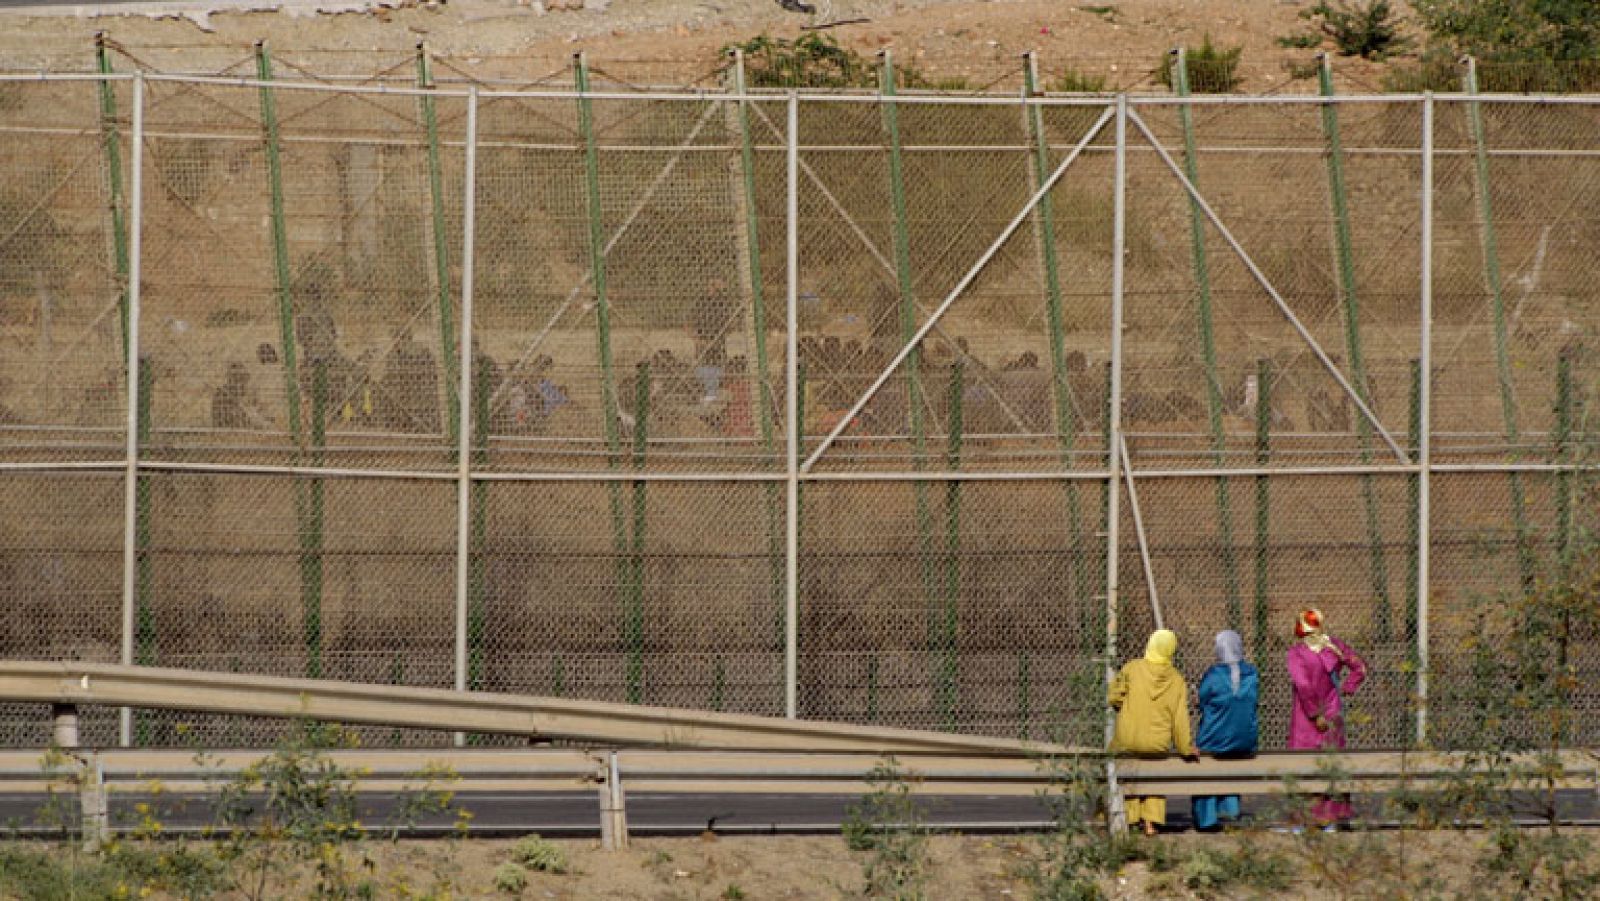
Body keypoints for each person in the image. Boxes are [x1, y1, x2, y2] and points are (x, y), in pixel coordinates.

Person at [1109, 629, 1199, 836]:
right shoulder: (1177, 680)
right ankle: (1150, 821)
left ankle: (1130, 818)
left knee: (1126, 768)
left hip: (1128, 738)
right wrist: (1185, 748)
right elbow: (1179, 720)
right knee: (1155, 771)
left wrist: (1125, 703)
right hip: (1157, 743)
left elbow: (1114, 697)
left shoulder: (1131, 669)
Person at [1286, 608, 1367, 826]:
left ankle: (1303, 819)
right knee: (1332, 762)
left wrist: (1314, 714)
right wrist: (1347, 687)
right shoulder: (1335, 646)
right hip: (1333, 714)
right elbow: (1360, 667)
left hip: (1305, 718)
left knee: (1303, 764)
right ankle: (1333, 818)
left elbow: (1303, 686)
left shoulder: (1297, 653)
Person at [1192, 630, 1258, 831]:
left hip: (1215, 739)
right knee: (1231, 767)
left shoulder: (1213, 675)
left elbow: (1202, 702)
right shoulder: (1252, 674)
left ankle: (1207, 818)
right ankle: (1229, 812)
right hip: (1245, 739)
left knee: (1205, 767)